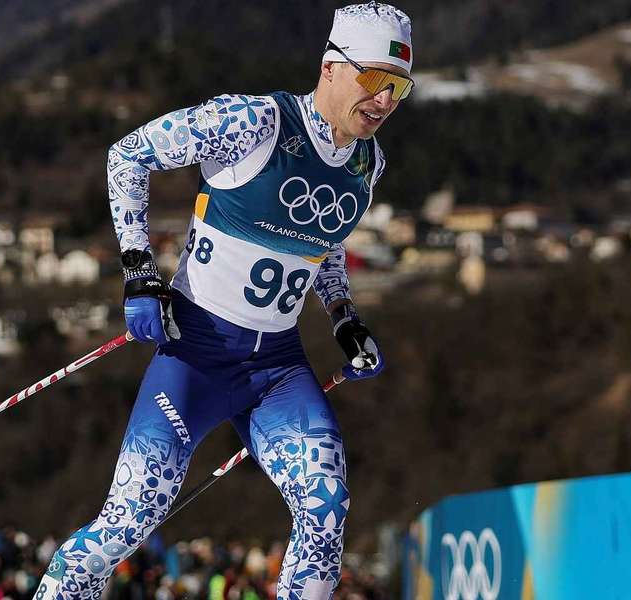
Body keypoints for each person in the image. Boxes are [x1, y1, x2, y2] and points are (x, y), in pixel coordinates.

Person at [36, 3, 414, 599]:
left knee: (326, 506)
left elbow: (326, 247)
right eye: (373, 78)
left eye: (398, 86)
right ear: (331, 68)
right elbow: (128, 155)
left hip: (277, 367)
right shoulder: (255, 123)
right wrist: (139, 271)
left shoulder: (369, 165)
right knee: (128, 523)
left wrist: (344, 318)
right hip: (196, 353)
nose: (385, 100)